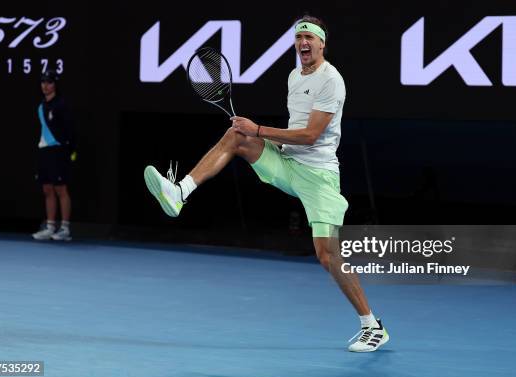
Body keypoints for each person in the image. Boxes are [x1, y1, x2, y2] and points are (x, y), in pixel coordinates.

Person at [144, 15, 388, 352]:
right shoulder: (293, 76)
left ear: (321, 44)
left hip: (319, 177)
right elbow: (293, 134)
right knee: (235, 135)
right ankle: (180, 191)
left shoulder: (331, 80)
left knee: (327, 255)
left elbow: (310, 134)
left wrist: (258, 129)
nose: (303, 42)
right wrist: (256, 135)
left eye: (310, 37)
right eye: (299, 37)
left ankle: (372, 325)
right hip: (287, 163)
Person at [32, 70, 76, 241]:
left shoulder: (62, 105)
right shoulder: (41, 106)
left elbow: (70, 130)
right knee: (47, 188)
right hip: (44, 151)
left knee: (61, 189)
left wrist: (69, 150)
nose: (45, 86)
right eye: (43, 82)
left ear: (55, 85)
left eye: (49, 82)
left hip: (59, 151)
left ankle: (65, 228)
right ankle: (50, 226)